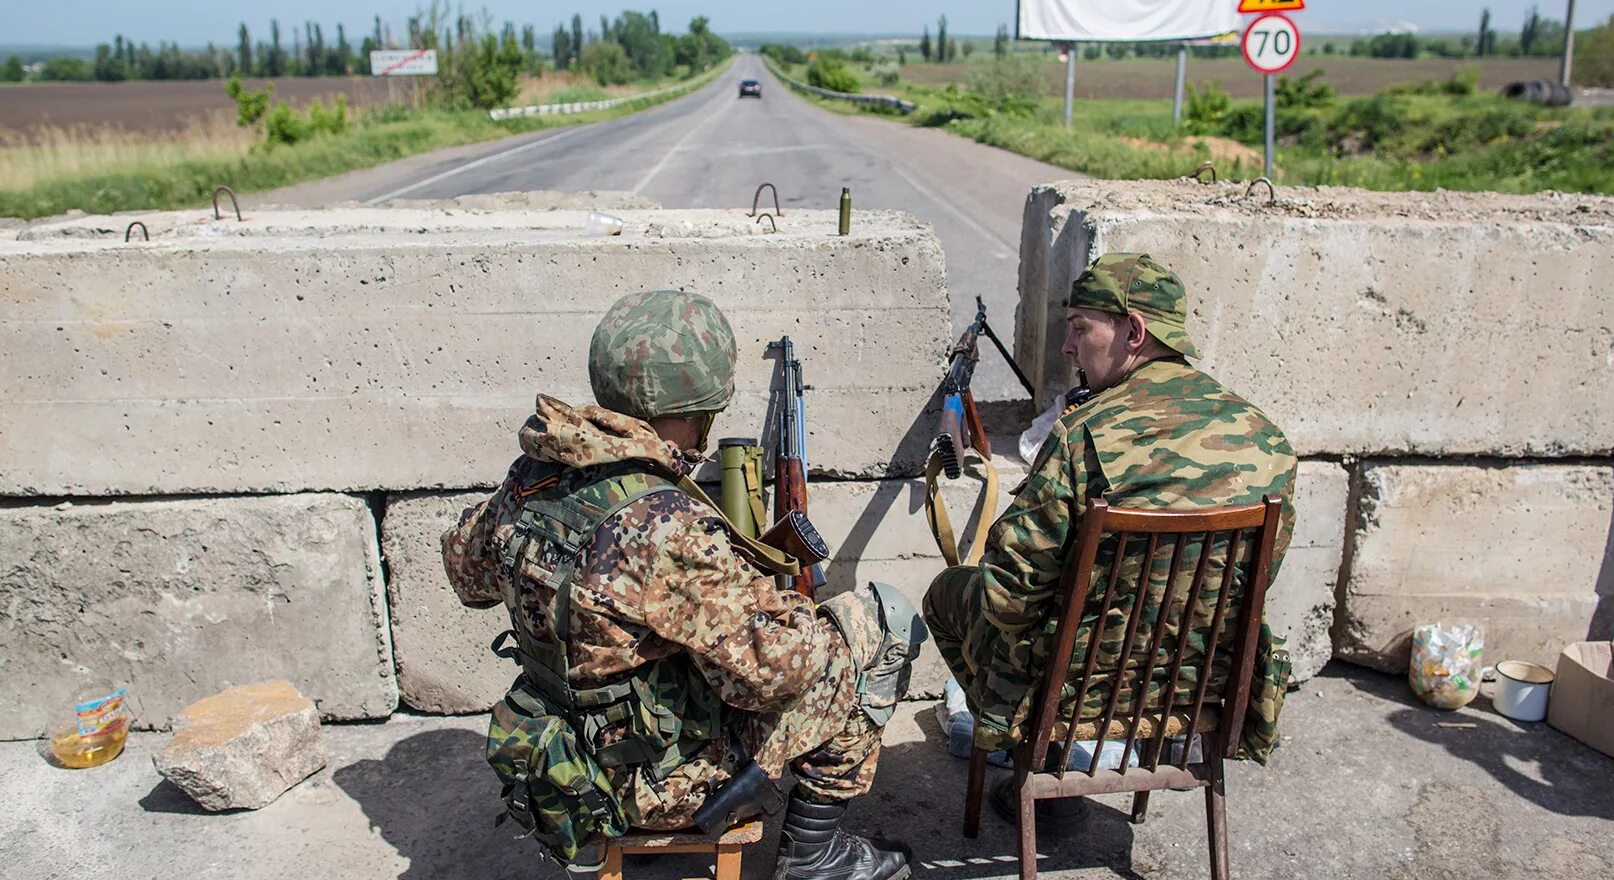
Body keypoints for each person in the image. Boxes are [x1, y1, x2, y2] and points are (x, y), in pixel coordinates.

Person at [442, 290, 921, 880]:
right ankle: (815, 854)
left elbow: (467, 577)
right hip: (654, 785)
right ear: (699, 408)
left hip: (561, 763)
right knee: (882, 619)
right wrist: (799, 614)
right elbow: (777, 678)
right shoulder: (665, 524)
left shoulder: (532, 478)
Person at [923, 253, 1298, 815]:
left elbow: (1007, 598)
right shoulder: (1267, 439)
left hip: (1075, 691)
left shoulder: (1081, 436)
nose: (1069, 348)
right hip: (1196, 683)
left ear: (1134, 332)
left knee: (946, 593)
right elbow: (1256, 584)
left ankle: (1030, 750)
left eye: (1079, 329)